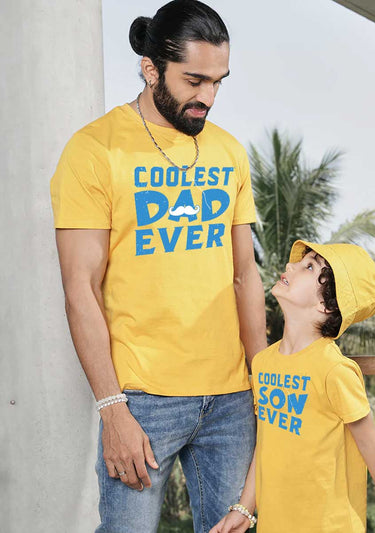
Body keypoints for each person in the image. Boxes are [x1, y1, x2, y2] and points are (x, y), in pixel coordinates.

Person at [50, 1, 266, 532]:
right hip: (142, 400)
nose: (208, 98)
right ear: (151, 69)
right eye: (194, 81)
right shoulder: (94, 151)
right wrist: (111, 408)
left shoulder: (229, 153)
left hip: (233, 398)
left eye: (218, 82)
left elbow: (246, 274)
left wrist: (264, 378)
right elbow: (81, 289)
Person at [210, 241, 375, 533]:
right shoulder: (263, 363)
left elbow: (371, 446)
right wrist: (244, 509)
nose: (291, 266)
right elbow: (266, 444)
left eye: (309, 267)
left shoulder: (334, 370)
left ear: (326, 305)